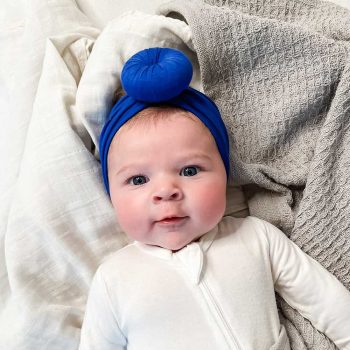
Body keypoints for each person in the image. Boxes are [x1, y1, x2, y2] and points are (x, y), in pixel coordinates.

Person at [79, 47, 350, 350]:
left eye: (190, 170)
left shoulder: (256, 237)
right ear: (111, 195)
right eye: (138, 179)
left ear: (225, 174)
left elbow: (327, 302)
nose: (166, 190)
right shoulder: (114, 279)